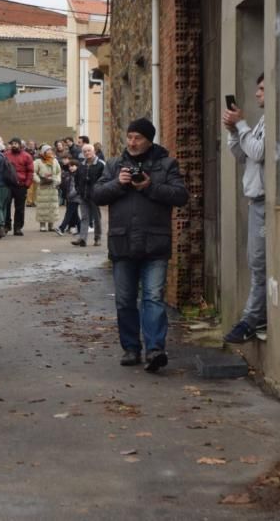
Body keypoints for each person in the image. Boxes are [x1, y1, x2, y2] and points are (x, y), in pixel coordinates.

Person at [93, 118, 189, 372]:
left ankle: (155, 349)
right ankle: (131, 348)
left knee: (153, 297)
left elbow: (180, 196)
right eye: (130, 137)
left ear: (149, 140)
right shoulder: (114, 165)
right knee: (124, 300)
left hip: (155, 242)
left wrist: (149, 186)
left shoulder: (166, 164)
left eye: (138, 138)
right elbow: (97, 194)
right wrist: (118, 183)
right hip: (122, 242)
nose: (132, 142)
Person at [222, 74, 267, 344]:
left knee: (259, 264)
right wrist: (233, 132)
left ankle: (251, 319)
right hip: (255, 201)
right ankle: (255, 317)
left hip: (265, 201)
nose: (258, 94)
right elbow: (242, 155)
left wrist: (241, 124)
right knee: (255, 262)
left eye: (262, 88)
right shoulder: (261, 121)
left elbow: (259, 152)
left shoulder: (275, 119)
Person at [72, 144, 105, 247]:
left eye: (89, 151)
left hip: (95, 196)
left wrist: (99, 191)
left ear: (93, 151)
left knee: (97, 218)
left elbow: (104, 179)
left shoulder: (101, 164)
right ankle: (82, 239)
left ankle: (97, 238)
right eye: (85, 151)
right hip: (83, 196)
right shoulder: (81, 165)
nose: (87, 153)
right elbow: (76, 179)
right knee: (84, 217)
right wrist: (78, 190)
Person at [5, 137, 34, 236]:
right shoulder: (6, 155)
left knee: (20, 208)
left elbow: (30, 171)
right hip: (8, 185)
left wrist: (27, 184)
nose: (14, 145)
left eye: (16, 143)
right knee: (6, 206)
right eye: (12, 143)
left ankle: (17, 227)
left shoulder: (26, 156)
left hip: (21, 185)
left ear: (20, 145)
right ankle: (6, 225)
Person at [33, 144, 61, 231]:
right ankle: (42, 225)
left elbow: (58, 172)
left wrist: (57, 180)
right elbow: (33, 173)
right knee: (42, 206)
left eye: (50, 150)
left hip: (52, 186)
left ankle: (51, 224)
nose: (50, 152)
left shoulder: (55, 161)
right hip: (42, 186)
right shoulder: (38, 161)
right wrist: (39, 181)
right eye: (47, 150)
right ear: (43, 152)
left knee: (52, 206)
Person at [56, 159, 81, 236]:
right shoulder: (70, 174)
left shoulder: (78, 175)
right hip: (70, 197)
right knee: (75, 215)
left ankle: (61, 228)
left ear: (77, 166)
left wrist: (70, 195)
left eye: (73, 166)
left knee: (69, 213)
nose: (71, 168)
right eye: (70, 166)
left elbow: (77, 188)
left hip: (75, 198)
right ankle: (81, 229)